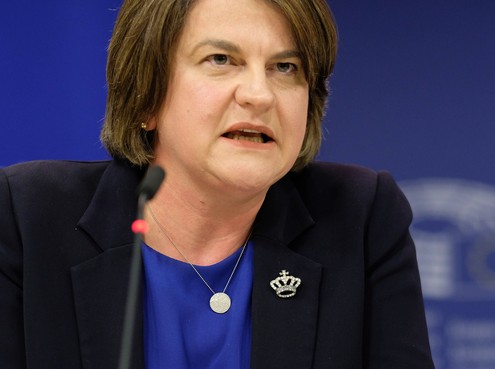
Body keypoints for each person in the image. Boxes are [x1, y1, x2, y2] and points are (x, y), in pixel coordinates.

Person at [0, 0, 435, 368]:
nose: (259, 95)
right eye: (221, 60)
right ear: (145, 96)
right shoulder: (27, 216)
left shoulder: (361, 216)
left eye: (285, 67)